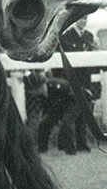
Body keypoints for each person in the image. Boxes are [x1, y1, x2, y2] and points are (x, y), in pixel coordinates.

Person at [37, 17, 99, 154]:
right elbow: (60, 63)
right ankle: (65, 146)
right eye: (81, 18)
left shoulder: (89, 36)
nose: (83, 21)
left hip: (85, 81)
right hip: (69, 83)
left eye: (86, 19)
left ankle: (82, 144)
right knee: (67, 116)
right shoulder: (66, 37)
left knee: (82, 116)